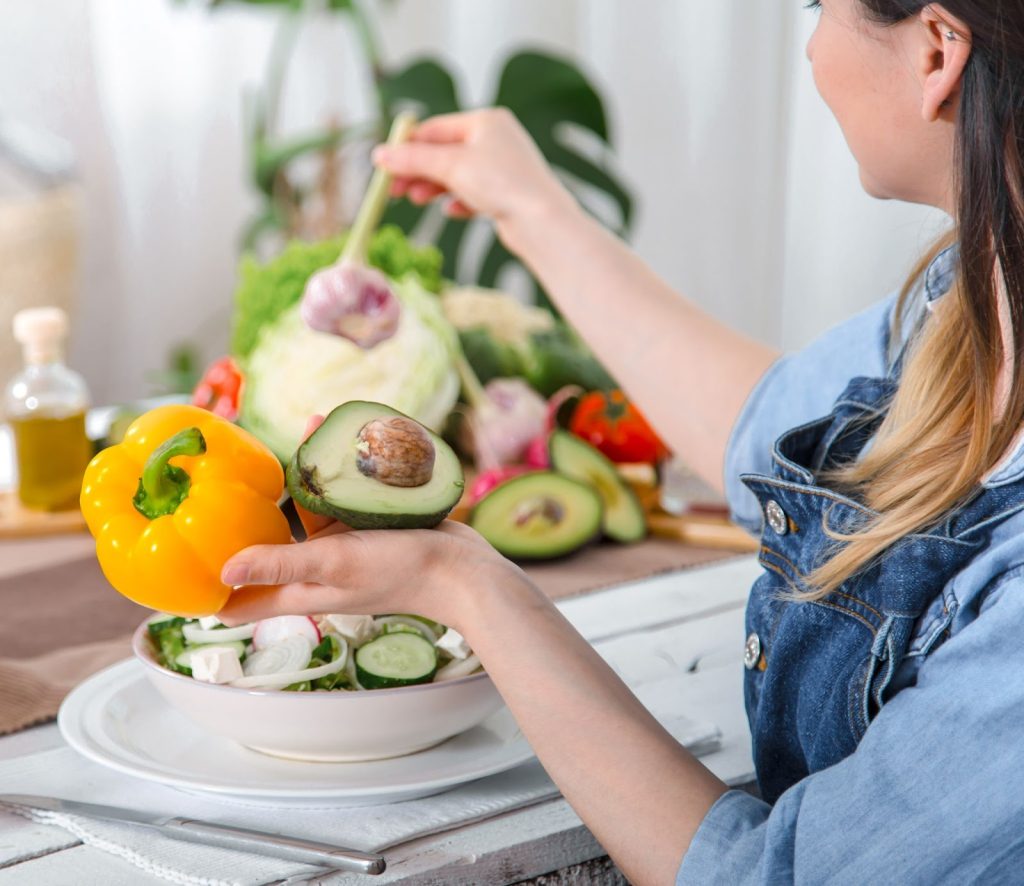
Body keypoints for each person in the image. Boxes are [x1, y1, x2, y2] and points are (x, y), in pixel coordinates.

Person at [219, 2, 1024, 882]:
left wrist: (466, 585)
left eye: (818, 7)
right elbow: (767, 424)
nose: (812, 45)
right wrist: (529, 208)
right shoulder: (976, 296)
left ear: (939, 50)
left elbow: (764, 875)